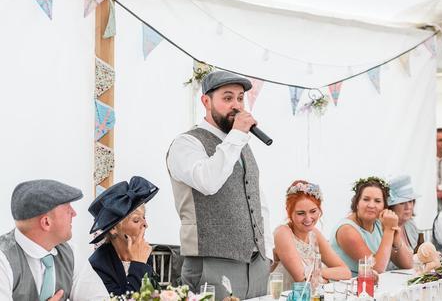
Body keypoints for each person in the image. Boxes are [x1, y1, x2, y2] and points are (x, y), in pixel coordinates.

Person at [166, 70, 272, 300]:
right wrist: (236, 136)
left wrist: (267, 253)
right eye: (227, 98)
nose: (236, 105)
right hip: (212, 263)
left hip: (255, 265)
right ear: (206, 101)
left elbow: (258, 200)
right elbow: (208, 182)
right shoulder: (187, 143)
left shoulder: (240, 143)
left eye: (240, 98)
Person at [0, 179, 109, 301]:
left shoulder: (71, 252)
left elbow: (99, 298)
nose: (74, 213)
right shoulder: (3, 259)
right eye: (68, 209)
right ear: (46, 222)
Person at [88, 176, 160, 296]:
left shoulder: (143, 252)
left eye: (144, 218)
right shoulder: (98, 266)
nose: (145, 225)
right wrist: (138, 264)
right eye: (136, 220)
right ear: (114, 229)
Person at [272, 180, 351, 290]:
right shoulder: (283, 232)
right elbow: (303, 281)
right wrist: (327, 276)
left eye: (313, 211)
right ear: (288, 211)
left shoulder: (314, 234)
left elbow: (346, 272)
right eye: (301, 213)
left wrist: (318, 272)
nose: (308, 219)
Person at [330, 176, 413, 276]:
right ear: (357, 203)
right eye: (366, 199)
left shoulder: (380, 223)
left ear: (384, 206)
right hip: (345, 288)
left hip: (372, 286)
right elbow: (376, 269)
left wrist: (396, 238)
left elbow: (408, 264)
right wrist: (388, 231)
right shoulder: (346, 230)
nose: (371, 205)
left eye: (377, 201)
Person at [387, 175, 421, 252]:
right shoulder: (385, 230)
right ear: (391, 207)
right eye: (402, 203)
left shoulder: (410, 224)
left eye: (410, 201)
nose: (408, 207)